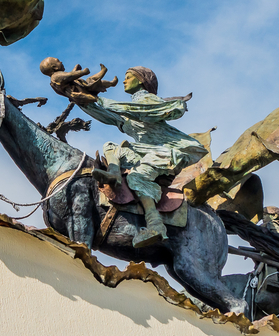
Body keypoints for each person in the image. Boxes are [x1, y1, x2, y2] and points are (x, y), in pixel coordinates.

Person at [78, 67, 207, 248]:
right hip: (146, 149)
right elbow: (110, 116)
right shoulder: (130, 110)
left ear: (140, 80)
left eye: (128, 77)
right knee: (112, 147)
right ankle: (114, 173)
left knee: (137, 176)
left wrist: (98, 99)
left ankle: (156, 225)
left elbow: (137, 110)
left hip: (172, 151)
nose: (123, 81)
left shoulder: (148, 101)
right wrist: (80, 100)